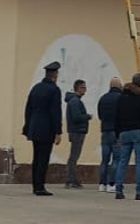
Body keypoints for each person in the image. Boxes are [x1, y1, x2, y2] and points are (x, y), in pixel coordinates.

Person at [113, 73, 140, 201]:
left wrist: (117, 134)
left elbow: (117, 117)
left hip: (124, 133)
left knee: (122, 161)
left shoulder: (121, 97)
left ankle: (119, 190)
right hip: (139, 132)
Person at [23, 61, 63, 196]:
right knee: (43, 158)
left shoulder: (36, 88)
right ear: (55, 75)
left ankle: (36, 185)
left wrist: (28, 126)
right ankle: (40, 187)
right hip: (47, 129)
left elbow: (28, 109)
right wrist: (58, 131)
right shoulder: (54, 90)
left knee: (36, 157)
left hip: (34, 128)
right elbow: (55, 112)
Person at [97, 77, 123, 192]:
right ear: (119, 86)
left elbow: (100, 115)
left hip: (105, 130)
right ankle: (111, 184)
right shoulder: (122, 98)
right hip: (117, 131)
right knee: (116, 159)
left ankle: (102, 184)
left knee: (104, 159)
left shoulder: (103, 98)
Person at [65, 79, 91, 189]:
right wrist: (87, 116)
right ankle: (71, 179)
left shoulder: (74, 100)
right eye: (83, 87)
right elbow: (76, 117)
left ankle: (72, 179)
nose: (85, 90)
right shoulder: (75, 101)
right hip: (77, 131)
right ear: (78, 88)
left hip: (76, 131)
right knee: (74, 156)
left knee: (74, 156)